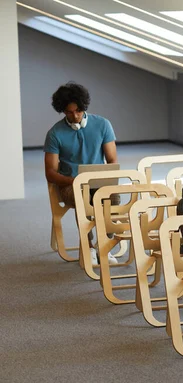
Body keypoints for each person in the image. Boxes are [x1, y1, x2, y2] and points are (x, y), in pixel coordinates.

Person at [43, 82, 119, 265]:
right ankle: (89, 247)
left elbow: (112, 160)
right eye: (69, 112)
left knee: (113, 199)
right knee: (82, 197)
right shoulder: (55, 133)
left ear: (84, 107)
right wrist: (74, 180)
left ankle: (104, 244)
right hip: (70, 184)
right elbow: (50, 173)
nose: (75, 116)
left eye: (78, 110)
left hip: (98, 181)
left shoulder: (103, 125)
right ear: (63, 111)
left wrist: (107, 179)